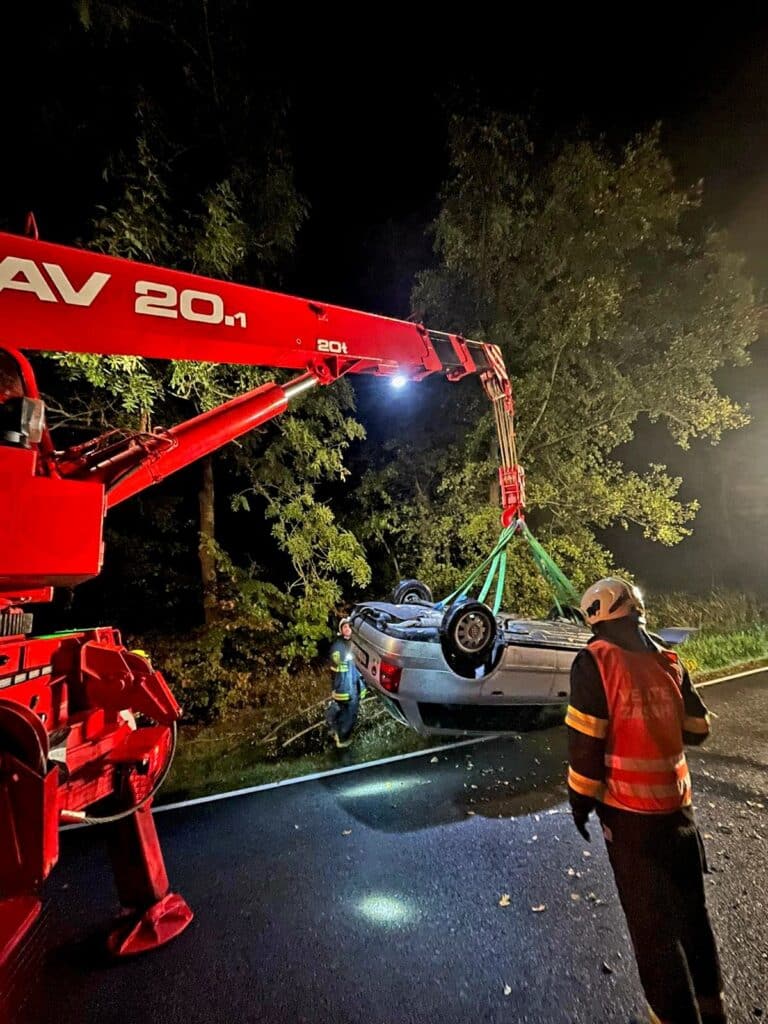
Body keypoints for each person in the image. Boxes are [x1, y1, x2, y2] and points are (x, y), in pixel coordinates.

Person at [566, 577, 726, 1024]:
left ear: (594, 617)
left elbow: (585, 751)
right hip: (681, 815)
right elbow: (699, 729)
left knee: (654, 934)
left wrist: (580, 806)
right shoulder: (667, 658)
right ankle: (713, 1009)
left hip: (632, 822)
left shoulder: (594, 661)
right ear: (635, 608)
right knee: (692, 918)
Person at [326, 617, 366, 748]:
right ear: (341, 631)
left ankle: (335, 731)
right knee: (349, 714)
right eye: (345, 627)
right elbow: (337, 662)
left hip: (353, 686)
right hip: (346, 688)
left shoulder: (357, 643)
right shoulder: (339, 645)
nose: (347, 629)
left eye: (349, 626)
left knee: (347, 713)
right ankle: (342, 740)